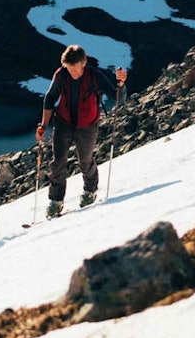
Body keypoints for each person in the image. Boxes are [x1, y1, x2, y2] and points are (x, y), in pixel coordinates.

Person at [36, 45, 127, 218]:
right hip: (63, 122)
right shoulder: (61, 74)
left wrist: (121, 84)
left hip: (87, 125)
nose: (72, 72)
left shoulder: (95, 75)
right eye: (69, 68)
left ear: (83, 63)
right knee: (58, 162)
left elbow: (118, 98)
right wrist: (44, 125)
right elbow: (50, 98)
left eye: (75, 68)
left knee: (85, 160)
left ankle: (90, 190)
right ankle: (56, 200)